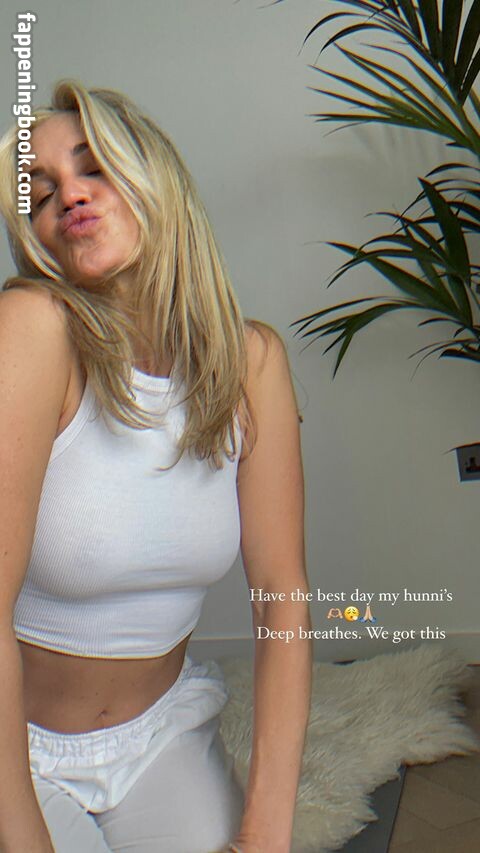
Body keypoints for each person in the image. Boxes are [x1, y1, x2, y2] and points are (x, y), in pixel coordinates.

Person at [0, 80, 312, 853]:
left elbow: (282, 597)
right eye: (40, 194)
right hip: (17, 751)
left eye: (94, 166)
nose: (69, 196)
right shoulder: (32, 329)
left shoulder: (252, 362)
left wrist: (266, 831)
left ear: (154, 176)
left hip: (160, 736)